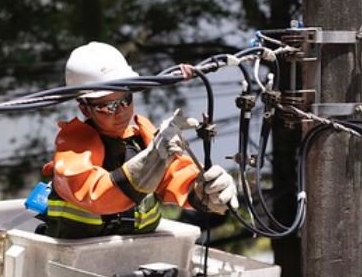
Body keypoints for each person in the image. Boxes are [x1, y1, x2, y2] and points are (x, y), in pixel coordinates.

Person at [41, 41, 238, 239]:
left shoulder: (141, 135)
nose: (121, 112)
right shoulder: (74, 147)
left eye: (126, 100)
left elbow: (174, 176)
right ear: (85, 108)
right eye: (108, 106)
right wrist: (150, 161)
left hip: (137, 254)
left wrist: (204, 192)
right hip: (73, 259)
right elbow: (95, 193)